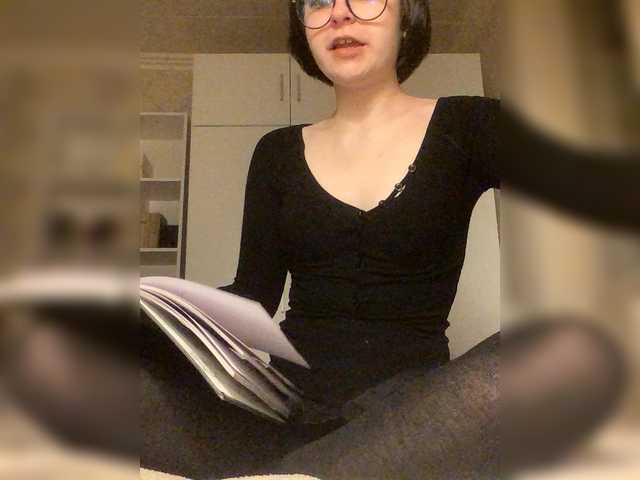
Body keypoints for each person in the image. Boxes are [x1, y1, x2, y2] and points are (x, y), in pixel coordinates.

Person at [139, 1, 628, 479]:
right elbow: (253, 297)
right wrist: (149, 316)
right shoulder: (276, 153)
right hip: (288, 411)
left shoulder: (471, 126)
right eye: (317, 2)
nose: (339, 13)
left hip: (416, 418)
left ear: (407, 18)